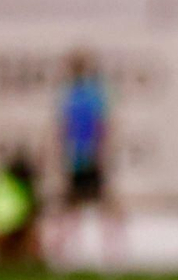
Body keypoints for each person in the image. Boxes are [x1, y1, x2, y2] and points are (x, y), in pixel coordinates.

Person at [49, 50, 124, 266]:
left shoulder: (76, 95)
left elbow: (65, 129)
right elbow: (102, 127)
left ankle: (106, 254)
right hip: (84, 157)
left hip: (81, 157)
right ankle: (106, 255)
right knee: (83, 206)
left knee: (79, 206)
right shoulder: (88, 94)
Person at [0, 152, 42, 268]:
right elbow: (28, 210)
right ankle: (32, 264)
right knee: (31, 230)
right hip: (13, 228)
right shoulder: (21, 188)